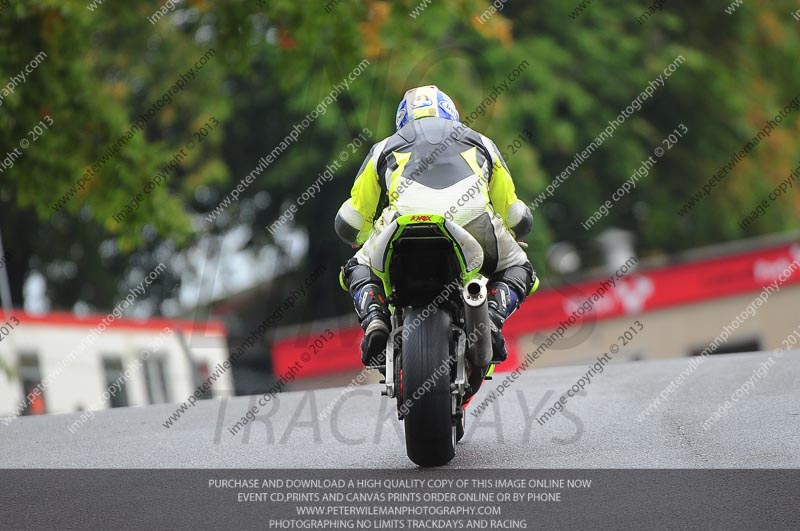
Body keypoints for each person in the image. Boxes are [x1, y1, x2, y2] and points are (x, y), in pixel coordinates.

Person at [334, 85, 536, 366]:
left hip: (401, 224)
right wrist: (519, 229)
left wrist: (363, 237)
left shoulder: (383, 147)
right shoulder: (481, 141)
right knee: (521, 268)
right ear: (451, 113)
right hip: (472, 222)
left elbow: (351, 220)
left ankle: (376, 321)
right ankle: (490, 318)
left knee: (356, 268)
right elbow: (514, 214)